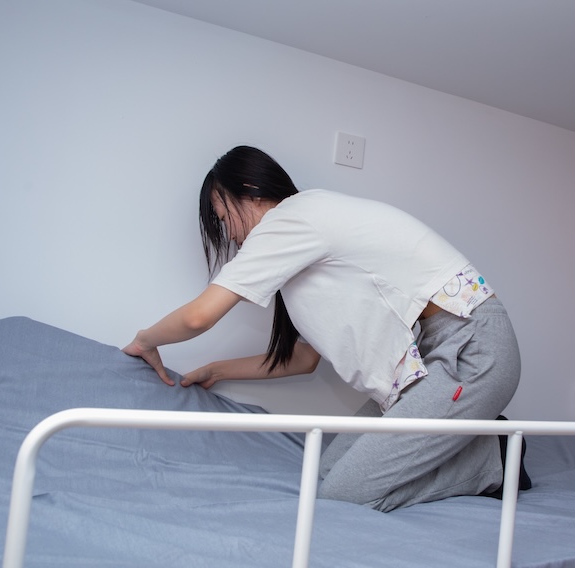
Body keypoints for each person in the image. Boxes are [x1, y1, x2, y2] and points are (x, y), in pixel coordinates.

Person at [123, 145, 528, 512]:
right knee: (329, 471)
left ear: (250, 190)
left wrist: (145, 340)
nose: (229, 234)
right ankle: (478, 443)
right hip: (430, 361)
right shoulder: (302, 256)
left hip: (473, 347)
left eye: (225, 217)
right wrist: (218, 370)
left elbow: (198, 316)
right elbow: (302, 359)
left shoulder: (293, 218)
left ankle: (493, 456)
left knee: (343, 497)